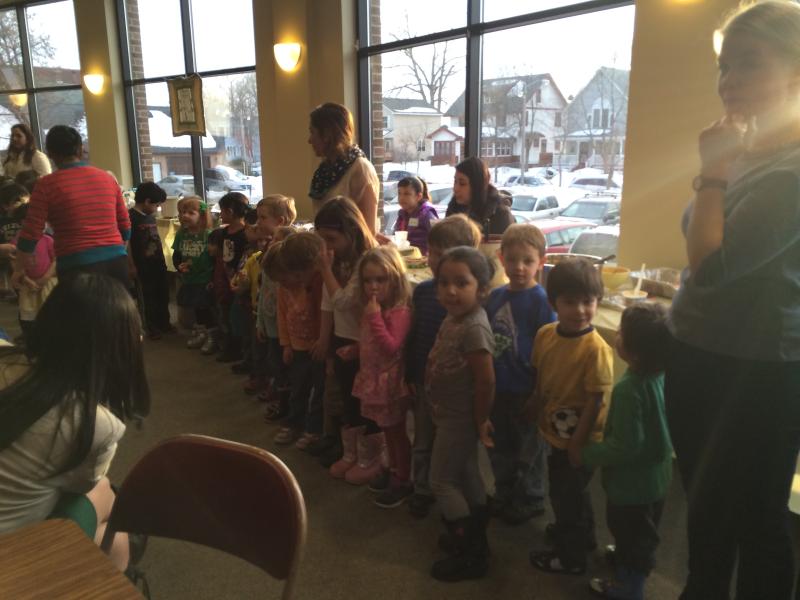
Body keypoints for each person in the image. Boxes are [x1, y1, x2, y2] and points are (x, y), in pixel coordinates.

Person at [666, 2, 800, 598]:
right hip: (699, 352)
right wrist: (719, 168)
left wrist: (712, 173)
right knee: (705, 507)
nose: (730, 80)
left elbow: (711, 269)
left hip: (756, 369)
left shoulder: (790, 171)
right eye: (725, 66)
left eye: (750, 63)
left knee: (757, 522)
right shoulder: (745, 152)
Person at [0, 273, 150, 572]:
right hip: (11, 560)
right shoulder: (98, 425)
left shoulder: (6, 359)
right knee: (105, 496)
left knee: (107, 514)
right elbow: (80, 487)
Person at [569, 302, 672, 600]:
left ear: (635, 353)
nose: (617, 335)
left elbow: (625, 446)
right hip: (657, 478)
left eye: (622, 333)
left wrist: (585, 454)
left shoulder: (629, 390)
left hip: (632, 486)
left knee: (632, 536)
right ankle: (629, 557)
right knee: (644, 529)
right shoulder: (663, 377)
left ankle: (630, 587)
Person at [528, 258, 613, 576]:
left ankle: (571, 558)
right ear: (553, 303)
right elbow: (541, 374)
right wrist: (535, 402)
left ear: (597, 301)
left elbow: (595, 400)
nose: (580, 310)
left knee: (566, 496)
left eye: (588, 302)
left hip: (582, 439)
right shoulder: (545, 335)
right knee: (572, 492)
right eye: (570, 302)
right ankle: (582, 537)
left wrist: (577, 443)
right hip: (555, 431)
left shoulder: (596, 349)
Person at [404, 214, 483, 518]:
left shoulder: (472, 304)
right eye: (432, 252)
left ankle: (467, 499)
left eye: (440, 254)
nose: (432, 259)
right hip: (424, 382)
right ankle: (422, 488)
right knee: (422, 439)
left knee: (457, 449)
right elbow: (414, 335)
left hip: (455, 393)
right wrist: (409, 373)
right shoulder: (424, 291)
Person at [426, 246, 496, 582]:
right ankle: (475, 534)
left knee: (441, 481)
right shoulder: (454, 317)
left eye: (461, 283)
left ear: (482, 289)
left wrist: (481, 420)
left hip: (460, 419)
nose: (450, 291)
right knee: (466, 473)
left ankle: (470, 553)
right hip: (446, 414)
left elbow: (486, 381)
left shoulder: (474, 328)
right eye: (444, 282)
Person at [485, 224, 555, 525]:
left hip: (526, 390)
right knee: (499, 446)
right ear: (501, 258)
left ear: (541, 261)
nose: (519, 267)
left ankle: (531, 498)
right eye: (512, 260)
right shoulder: (495, 297)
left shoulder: (542, 302)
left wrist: (538, 395)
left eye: (527, 260)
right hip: (498, 388)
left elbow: (549, 351)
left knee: (529, 450)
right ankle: (504, 492)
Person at [15, 126, 130, 285]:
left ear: (50, 153)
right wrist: (116, 250)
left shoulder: (46, 185)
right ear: (80, 149)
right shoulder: (107, 178)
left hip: (76, 264)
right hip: (116, 262)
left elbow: (31, 233)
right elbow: (125, 226)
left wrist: (19, 269)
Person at [314, 196, 379, 475]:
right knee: (347, 397)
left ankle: (370, 457)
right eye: (322, 240)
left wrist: (325, 270)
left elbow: (342, 300)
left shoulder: (365, 261)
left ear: (352, 231)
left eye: (331, 239)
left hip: (363, 342)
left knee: (367, 401)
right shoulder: (337, 260)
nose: (326, 247)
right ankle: (352, 452)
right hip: (342, 338)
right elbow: (328, 301)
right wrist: (324, 338)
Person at [351, 246, 413, 504]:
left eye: (381, 279)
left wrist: (375, 318)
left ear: (395, 279)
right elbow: (372, 341)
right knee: (387, 430)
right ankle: (393, 467)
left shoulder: (399, 312)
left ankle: (403, 478)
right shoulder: (374, 308)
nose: (373, 286)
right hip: (375, 379)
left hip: (390, 384)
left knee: (397, 434)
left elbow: (391, 347)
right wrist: (354, 350)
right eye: (368, 280)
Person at [273, 232, 325, 448]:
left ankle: (313, 430)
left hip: (317, 348)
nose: (284, 284)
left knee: (319, 392)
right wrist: (286, 344)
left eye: (287, 278)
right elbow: (282, 317)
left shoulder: (313, 285)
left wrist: (321, 340)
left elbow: (321, 316)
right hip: (297, 347)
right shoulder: (284, 290)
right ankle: (294, 423)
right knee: (298, 389)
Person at [308, 103, 380, 235]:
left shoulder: (360, 168)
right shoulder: (323, 171)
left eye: (312, 132)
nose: (309, 140)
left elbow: (368, 230)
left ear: (327, 135)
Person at [253, 195, 297, 399]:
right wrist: (260, 321)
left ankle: (283, 395)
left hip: (286, 325)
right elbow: (264, 291)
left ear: (280, 221)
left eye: (262, 218)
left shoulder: (290, 255)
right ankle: (275, 386)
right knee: (273, 359)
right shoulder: (268, 249)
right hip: (270, 320)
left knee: (284, 362)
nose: (258, 222)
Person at [128, 181, 172, 340]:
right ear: (147, 201)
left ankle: (164, 323)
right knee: (148, 297)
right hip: (142, 266)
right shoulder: (130, 218)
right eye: (156, 205)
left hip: (157, 263)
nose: (157, 208)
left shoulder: (150, 217)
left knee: (163, 293)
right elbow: (127, 244)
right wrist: (131, 265)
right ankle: (151, 327)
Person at [10, 204, 56, 345]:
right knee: (28, 314)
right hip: (27, 285)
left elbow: (55, 260)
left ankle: (49, 340)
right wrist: (26, 280)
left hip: (47, 283)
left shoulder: (48, 240)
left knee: (49, 311)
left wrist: (46, 277)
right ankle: (31, 340)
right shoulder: (17, 242)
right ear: (23, 222)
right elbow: (15, 263)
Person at [172, 196, 214, 347]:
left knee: (206, 308)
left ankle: (211, 336)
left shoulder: (208, 235)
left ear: (201, 216)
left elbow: (214, 259)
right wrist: (179, 266)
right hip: (189, 278)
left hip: (205, 279)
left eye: (191, 213)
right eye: (183, 212)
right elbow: (177, 255)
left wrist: (213, 278)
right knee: (196, 308)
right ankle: (201, 332)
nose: (185, 216)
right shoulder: (181, 234)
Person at [215, 192, 250, 363]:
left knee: (237, 315)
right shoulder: (224, 232)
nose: (220, 214)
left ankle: (238, 349)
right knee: (226, 312)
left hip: (239, 280)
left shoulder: (246, 233)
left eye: (221, 211)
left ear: (229, 211)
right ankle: (229, 346)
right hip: (225, 277)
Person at [445, 157, 513, 237]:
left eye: (462, 184)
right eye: (455, 181)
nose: (455, 188)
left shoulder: (500, 214)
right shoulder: (453, 209)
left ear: (478, 186)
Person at [394, 176, 439, 255]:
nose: (401, 198)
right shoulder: (402, 214)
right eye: (399, 193)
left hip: (423, 259)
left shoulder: (427, 213)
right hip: (405, 258)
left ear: (418, 196)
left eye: (406, 194)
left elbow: (439, 236)